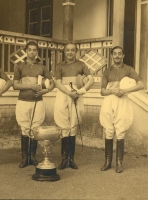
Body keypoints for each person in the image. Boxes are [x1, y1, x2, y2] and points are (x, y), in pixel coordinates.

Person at [99, 46, 144, 173]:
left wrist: (125, 90)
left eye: (120, 54)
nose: (117, 56)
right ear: (112, 56)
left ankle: (119, 162)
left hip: (123, 100)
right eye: (115, 54)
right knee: (108, 130)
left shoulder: (129, 69)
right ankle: (108, 161)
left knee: (120, 130)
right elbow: (102, 91)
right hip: (109, 100)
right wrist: (112, 90)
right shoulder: (107, 71)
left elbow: (141, 84)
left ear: (123, 56)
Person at [13, 41, 55, 168]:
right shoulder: (19, 66)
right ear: (26, 51)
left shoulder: (42, 67)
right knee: (25, 129)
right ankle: (25, 158)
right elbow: (15, 85)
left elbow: (52, 83)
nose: (32, 52)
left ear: (37, 52)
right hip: (23, 101)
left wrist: (46, 90)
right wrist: (30, 86)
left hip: (37, 102)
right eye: (29, 50)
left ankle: (32, 157)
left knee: (35, 129)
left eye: (34, 50)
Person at [54, 42, 94, 170]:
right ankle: (64, 159)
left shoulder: (81, 64)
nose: (70, 52)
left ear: (76, 51)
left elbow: (91, 80)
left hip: (76, 94)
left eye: (72, 50)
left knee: (73, 125)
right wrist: (68, 93)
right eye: (67, 50)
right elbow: (58, 83)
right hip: (63, 94)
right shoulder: (60, 66)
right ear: (64, 52)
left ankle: (71, 159)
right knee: (64, 125)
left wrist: (80, 91)